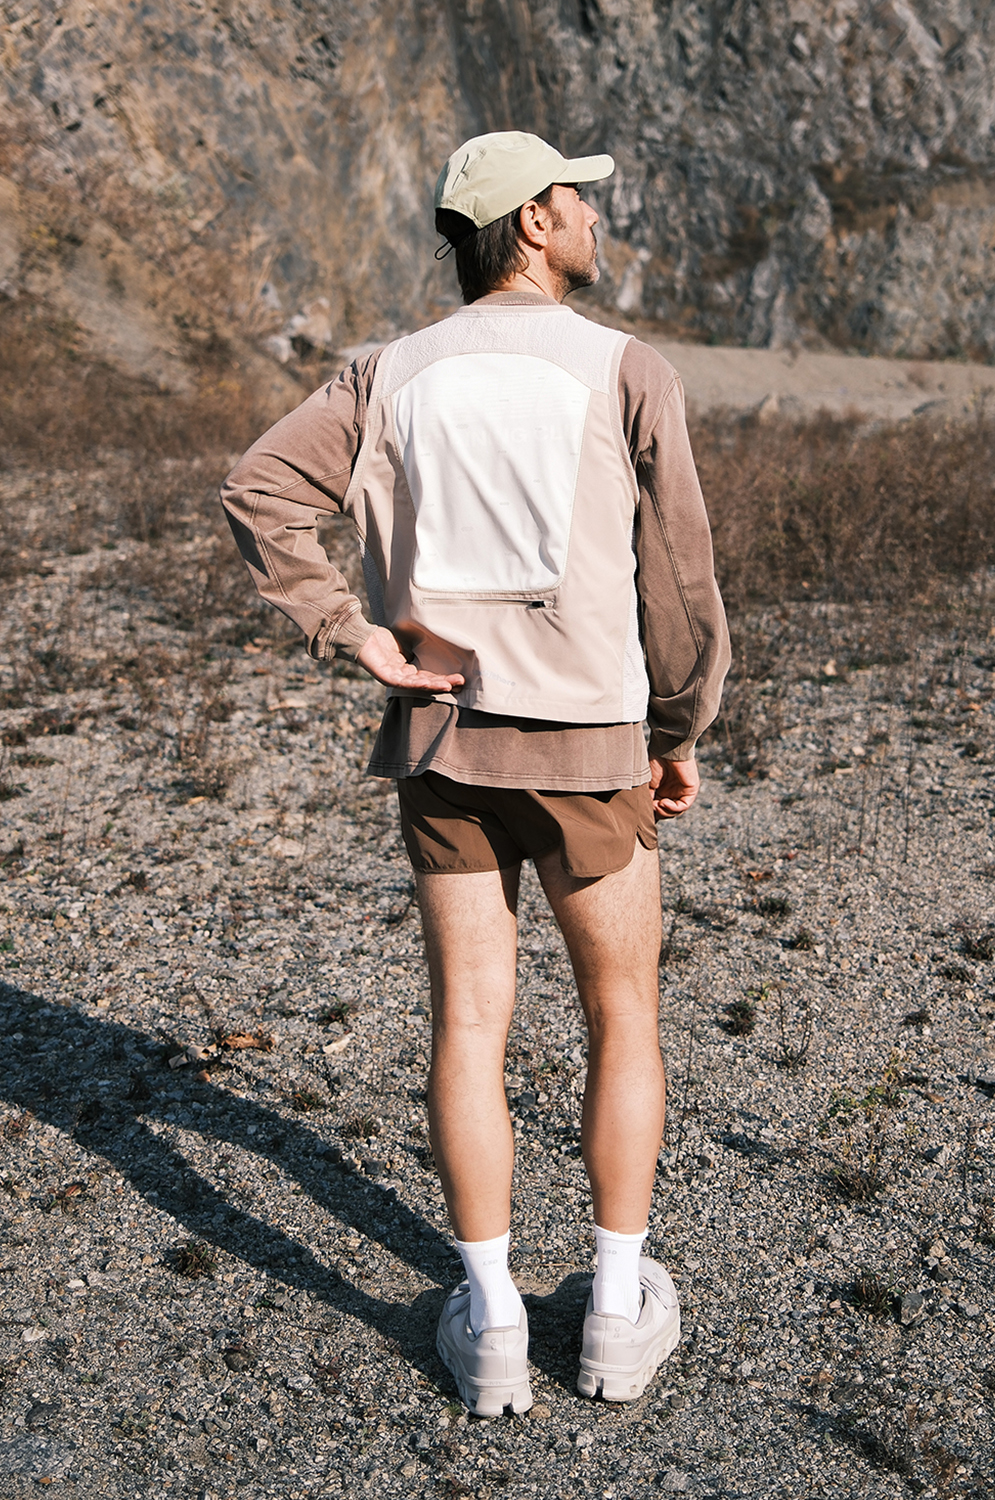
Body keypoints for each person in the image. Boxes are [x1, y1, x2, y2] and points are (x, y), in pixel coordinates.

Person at [221, 130, 729, 1416]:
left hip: (443, 742)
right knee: (623, 1014)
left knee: (467, 1024)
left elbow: (259, 486)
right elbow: (679, 583)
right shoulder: (625, 367)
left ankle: (493, 1321)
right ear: (535, 222)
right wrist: (676, 732)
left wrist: (355, 633)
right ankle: (612, 1310)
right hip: (590, 746)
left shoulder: (383, 372)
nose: (594, 218)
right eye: (578, 200)